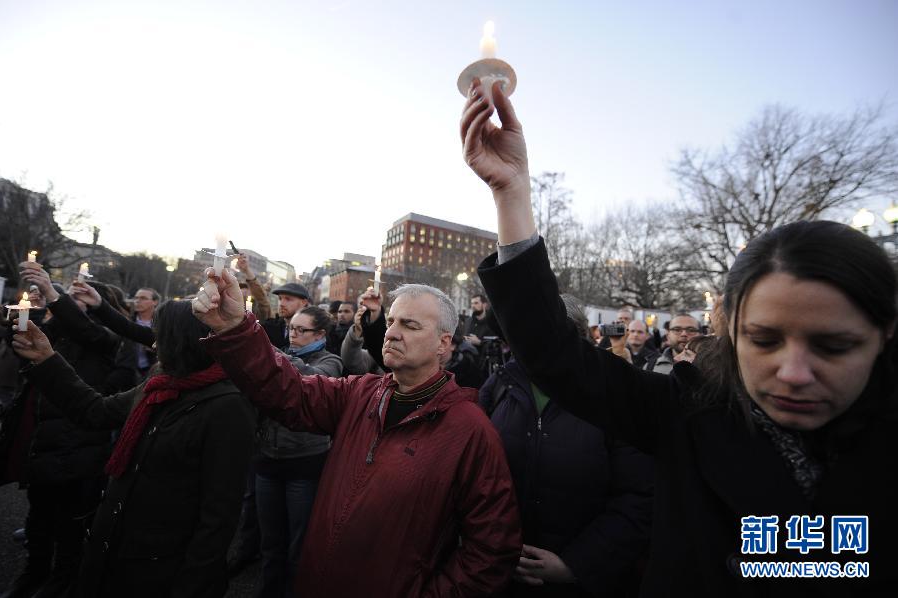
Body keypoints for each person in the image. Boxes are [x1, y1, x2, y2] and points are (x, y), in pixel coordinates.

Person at [462, 77, 898, 595]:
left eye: (833, 346)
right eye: (764, 340)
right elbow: (550, 352)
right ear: (730, 329)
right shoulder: (688, 415)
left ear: (883, 334)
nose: (794, 372)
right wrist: (512, 194)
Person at [191, 271, 521, 596]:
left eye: (410, 325)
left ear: (443, 343)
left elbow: (491, 551)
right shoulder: (359, 393)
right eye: (391, 321)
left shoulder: (471, 431)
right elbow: (285, 391)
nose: (391, 333)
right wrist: (234, 327)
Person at [9, 301, 255, 597]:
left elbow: (218, 517)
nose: (153, 343)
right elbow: (95, 411)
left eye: (159, 334)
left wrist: (192, 587)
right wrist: (47, 358)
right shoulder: (158, 383)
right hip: (115, 550)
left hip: (160, 569)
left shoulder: (228, 405)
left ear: (181, 340)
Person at [479, 294, 653, 597]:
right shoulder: (500, 384)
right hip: (498, 573)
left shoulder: (613, 394)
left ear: (573, 335)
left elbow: (640, 496)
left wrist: (576, 564)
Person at [0, 263, 121, 598]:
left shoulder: (103, 341)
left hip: (78, 443)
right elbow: (22, 351)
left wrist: (55, 296)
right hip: (43, 442)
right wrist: (23, 318)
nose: (67, 308)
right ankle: (33, 572)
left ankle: (62, 581)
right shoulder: (53, 335)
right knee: (39, 519)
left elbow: (88, 331)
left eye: (77, 304)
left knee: (70, 525)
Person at [255, 306, 339, 598]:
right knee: (271, 542)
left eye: (302, 330)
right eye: (292, 328)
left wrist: (266, 350)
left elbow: (312, 379)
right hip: (268, 461)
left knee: (298, 545)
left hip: (305, 464)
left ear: (320, 335)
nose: (294, 335)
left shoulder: (330, 361)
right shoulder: (280, 354)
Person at [261, 283, 311, 350]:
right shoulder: (269, 327)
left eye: (288, 299)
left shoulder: (312, 331)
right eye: (280, 298)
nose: (281, 304)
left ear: (303, 303)